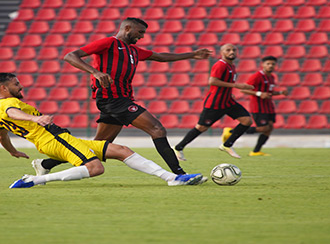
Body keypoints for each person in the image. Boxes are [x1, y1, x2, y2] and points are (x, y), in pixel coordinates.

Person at [33, 17, 211, 176]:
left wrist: (193, 54)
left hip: (120, 99)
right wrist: (95, 72)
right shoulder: (108, 43)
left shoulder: (133, 50)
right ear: (127, 28)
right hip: (112, 99)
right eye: (140, 32)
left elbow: (160, 57)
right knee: (157, 129)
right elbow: (70, 56)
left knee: (101, 144)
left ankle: (45, 164)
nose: (141, 36)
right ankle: (179, 174)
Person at [0, 72, 206, 188]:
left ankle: (172, 178)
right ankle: (33, 180)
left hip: (57, 139)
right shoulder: (5, 104)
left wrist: (12, 151)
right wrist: (35, 119)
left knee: (121, 150)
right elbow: (12, 113)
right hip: (53, 140)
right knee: (95, 169)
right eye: (17, 84)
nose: (21, 86)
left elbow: (1, 134)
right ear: (4, 88)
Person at [173, 44, 254, 159]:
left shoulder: (231, 66)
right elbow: (212, 81)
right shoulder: (220, 65)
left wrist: (230, 93)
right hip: (215, 103)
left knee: (247, 120)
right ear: (222, 52)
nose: (232, 52)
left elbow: (224, 83)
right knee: (201, 128)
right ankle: (178, 148)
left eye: (234, 50)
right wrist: (236, 85)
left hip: (228, 101)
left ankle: (227, 145)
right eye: (228, 50)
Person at [236, 56, 288, 156]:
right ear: (263, 64)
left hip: (269, 107)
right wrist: (259, 94)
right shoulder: (257, 76)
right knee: (263, 128)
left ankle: (256, 151)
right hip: (258, 106)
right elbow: (243, 89)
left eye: (272, 64)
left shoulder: (271, 77)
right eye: (268, 63)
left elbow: (269, 93)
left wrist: (280, 92)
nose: (270, 66)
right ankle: (231, 132)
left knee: (270, 127)